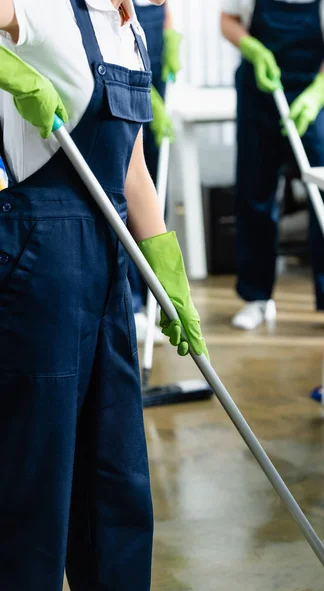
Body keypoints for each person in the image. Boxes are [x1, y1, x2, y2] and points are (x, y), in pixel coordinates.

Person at [0, 1, 207, 591]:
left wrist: (166, 271)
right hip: (41, 266)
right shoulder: (44, 8)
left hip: (112, 261)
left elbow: (133, 171)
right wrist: (10, 70)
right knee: (33, 490)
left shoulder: (132, 29)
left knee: (114, 484)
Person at [221, 0, 324, 337]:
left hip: (313, 88)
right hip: (258, 92)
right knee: (254, 193)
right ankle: (257, 297)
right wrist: (252, 47)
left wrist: (319, 91)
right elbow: (228, 21)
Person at [130, 0, 181, 341]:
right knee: (123, 196)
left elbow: (164, 10)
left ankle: (154, 301)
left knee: (150, 192)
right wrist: (146, 95)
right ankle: (132, 303)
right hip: (124, 85)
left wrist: (171, 36)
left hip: (156, 76)